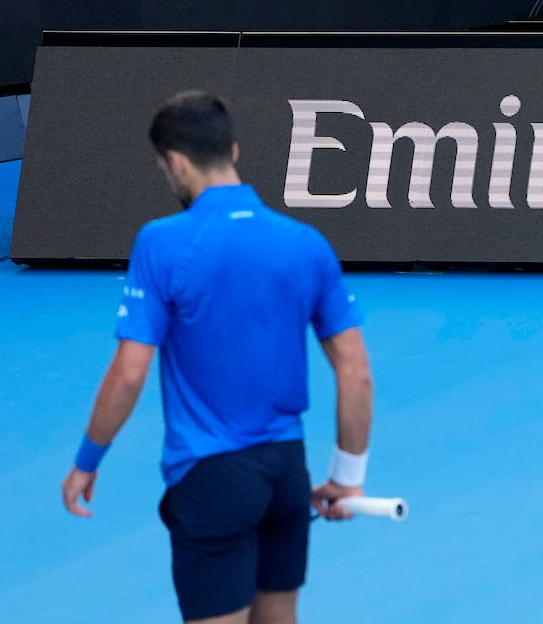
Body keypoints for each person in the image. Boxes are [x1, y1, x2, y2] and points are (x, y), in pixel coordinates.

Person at [61, 91, 374, 624]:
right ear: (233, 148)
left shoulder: (161, 243)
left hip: (211, 479)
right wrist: (347, 475)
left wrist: (86, 462)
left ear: (175, 162)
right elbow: (356, 371)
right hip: (284, 474)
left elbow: (130, 374)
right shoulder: (306, 243)